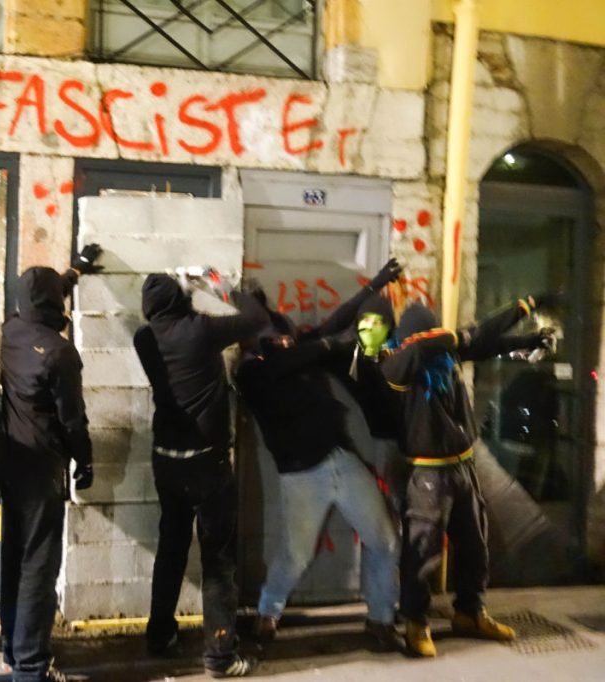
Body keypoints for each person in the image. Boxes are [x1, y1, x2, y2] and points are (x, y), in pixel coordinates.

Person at [235, 259, 404, 651]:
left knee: (384, 541)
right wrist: (329, 344)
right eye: (265, 327)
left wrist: (375, 285)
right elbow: (305, 350)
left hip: (339, 458)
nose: (279, 332)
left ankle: (381, 620)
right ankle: (267, 612)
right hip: (301, 474)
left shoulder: (289, 347)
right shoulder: (250, 372)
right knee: (295, 555)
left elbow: (334, 322)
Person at [380, 296, 558, 657]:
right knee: (421, 552)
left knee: (475, 545)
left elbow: (487, 343)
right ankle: (416, 622)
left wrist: (528, 340)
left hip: (462, 465)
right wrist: (521, 308)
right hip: (428, 473)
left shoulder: (445, 355)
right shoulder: (399, 365)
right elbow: (458, 339)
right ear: (414, 336)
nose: (437, 336)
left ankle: (470, 613)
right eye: (429, 331)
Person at [134, 270, 268, 679]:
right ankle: (220, 656)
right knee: (218, 560)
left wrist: (182, 295)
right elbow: (257, 316)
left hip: (166, 461)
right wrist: (215, 282)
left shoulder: (144, 338)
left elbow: (169, 322)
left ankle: (159, 635)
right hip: (207, 463)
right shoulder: (201, 330)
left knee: (171, 548)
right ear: (180, 299)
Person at [0, 245, 102, 682]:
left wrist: (73, 272)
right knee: (39, 566)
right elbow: (72, 420)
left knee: (15, 556)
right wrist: (86, 460)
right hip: (43, 468)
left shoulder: (9, 331)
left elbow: (42, 296)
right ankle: (31, 667)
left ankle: (12, 649)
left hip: (10, 461)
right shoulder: (60, 353)